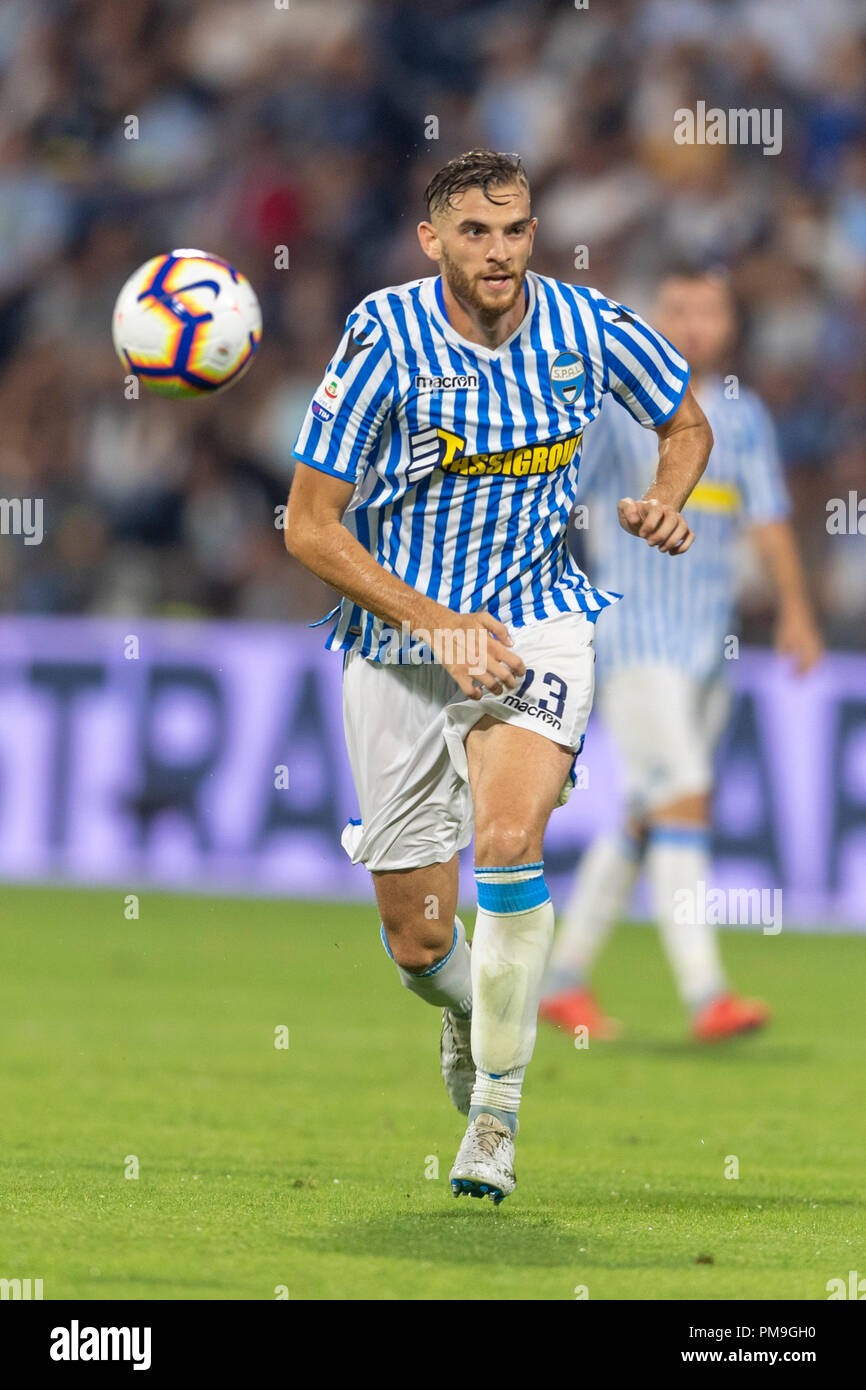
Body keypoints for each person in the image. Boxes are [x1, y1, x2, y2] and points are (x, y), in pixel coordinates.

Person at [285, 151, 711, 1203]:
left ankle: (495, 1117)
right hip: (400, 638)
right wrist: (435, 623)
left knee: (510, 840)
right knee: (420, 939)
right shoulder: (383, 337)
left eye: (513, 229)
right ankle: (473, 1008)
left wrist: (667, 494)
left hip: (536, 623)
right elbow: (307, 525)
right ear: (431, 241)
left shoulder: (586, 327)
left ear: (532, 231)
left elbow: (683, 419)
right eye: (473, 233)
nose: (498, 251)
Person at [540, 268, 823, 1044]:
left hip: (710, 645)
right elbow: (555, 501)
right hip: (633, 635)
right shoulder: (610, 414)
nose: (694, 324)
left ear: (728, 323)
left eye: (708, 310)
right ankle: (707, 995)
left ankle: (564, 980)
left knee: (647, 810)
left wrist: (796, 611)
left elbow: (767, 519)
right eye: (678, 309)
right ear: (653, 319)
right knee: (686, 791)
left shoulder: (746, 416)